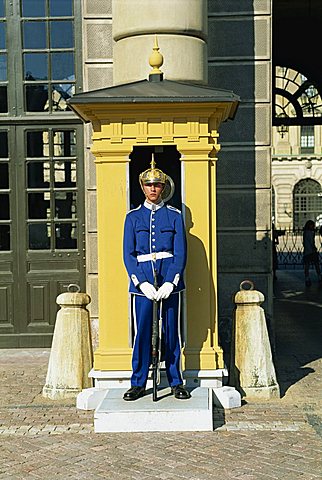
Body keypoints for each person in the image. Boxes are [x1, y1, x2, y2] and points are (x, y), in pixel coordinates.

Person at [122, 156, 191, 401]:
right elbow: (128, 255)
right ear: (142, 187)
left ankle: (175, 381)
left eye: (157, 185)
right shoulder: (132, 217)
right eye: (149, 185)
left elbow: (180, 253)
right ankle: (138, 381)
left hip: (169, 283)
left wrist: (172, 281)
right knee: (142, 333)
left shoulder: (174, 216)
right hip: (143, 285)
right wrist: (142, 282)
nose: (153, 189)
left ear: (164, 188)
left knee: (171, 332)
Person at [303, 219, 322, 286]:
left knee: (307, 265)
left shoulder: (305, 232)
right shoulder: (310, 233)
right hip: (311, 251)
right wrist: (314, 248)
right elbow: (311, 242)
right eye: (312, 225)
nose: (313, 227)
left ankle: (307, 278)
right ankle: (319, 277)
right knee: (316, 264)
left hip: (307, 251)